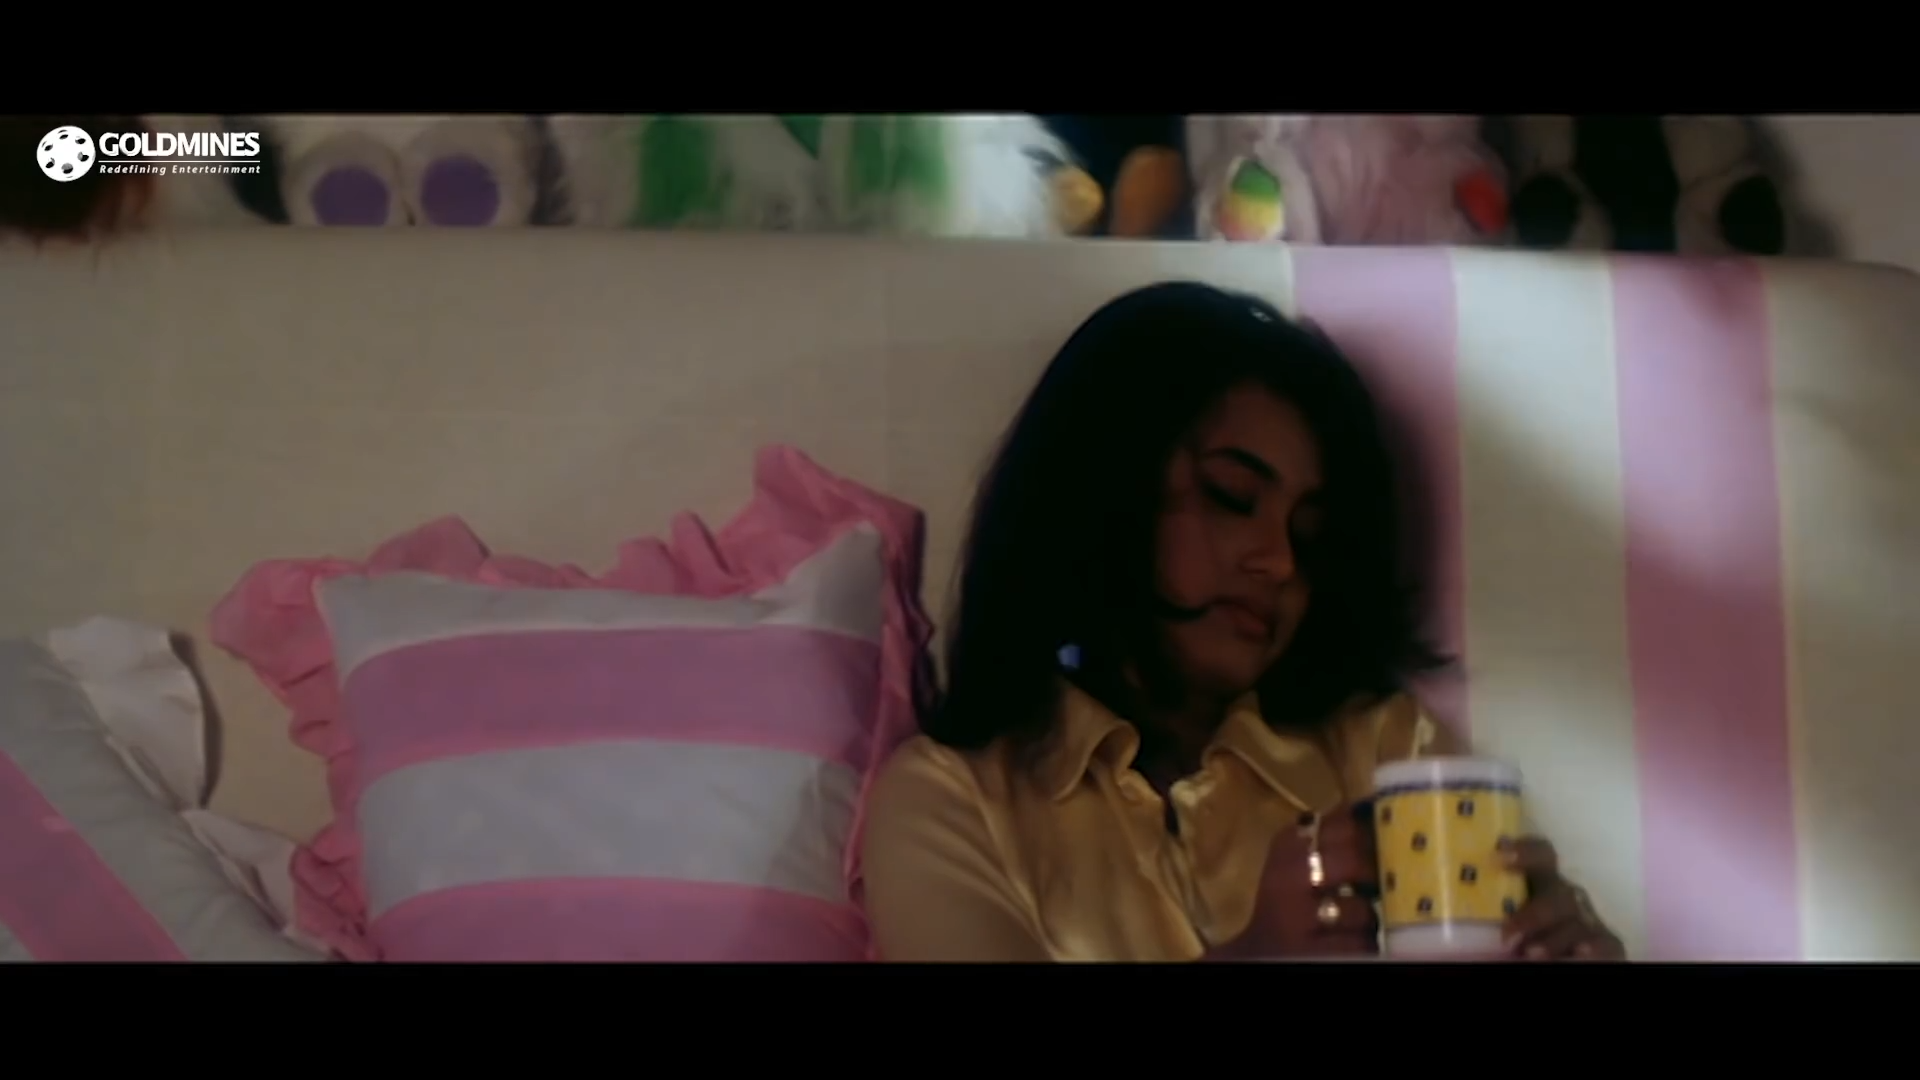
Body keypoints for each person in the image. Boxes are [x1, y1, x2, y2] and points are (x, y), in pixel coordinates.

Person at [860, 281, 1625, 962]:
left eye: (1311, 536)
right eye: (1232, 497)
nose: (1280, 562)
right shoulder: (951, 801)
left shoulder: (1390, 752)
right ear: (1106, 488)